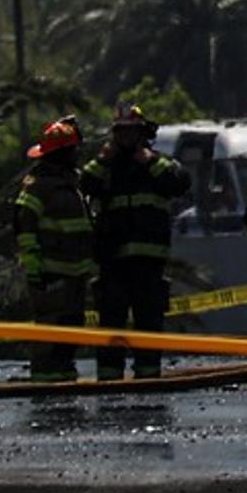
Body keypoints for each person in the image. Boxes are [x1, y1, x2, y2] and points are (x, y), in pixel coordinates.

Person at [80, 104, 186, 381]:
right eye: (120, 132)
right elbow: (84, 184)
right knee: (111, 326)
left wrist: (149, 161)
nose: (125, 137)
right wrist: (103, 160)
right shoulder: (105, 167)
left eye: (130, 131)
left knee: (148, 326)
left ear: (141, 133)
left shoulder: (157, 163)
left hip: (149, 263)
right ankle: (109, 379)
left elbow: (179, 183)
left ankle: (148, 378)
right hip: (112, 262)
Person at [13, 119, 94, 383]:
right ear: (62, 154)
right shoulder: (38, 185)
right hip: (50, 273)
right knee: (51, 331)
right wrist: (35, 269)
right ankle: (46, 383)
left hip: (74, 273)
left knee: (71, 329)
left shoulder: (71, 182)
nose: (77, 155)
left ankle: (63, 378)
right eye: (73, 150)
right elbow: (25, 227)